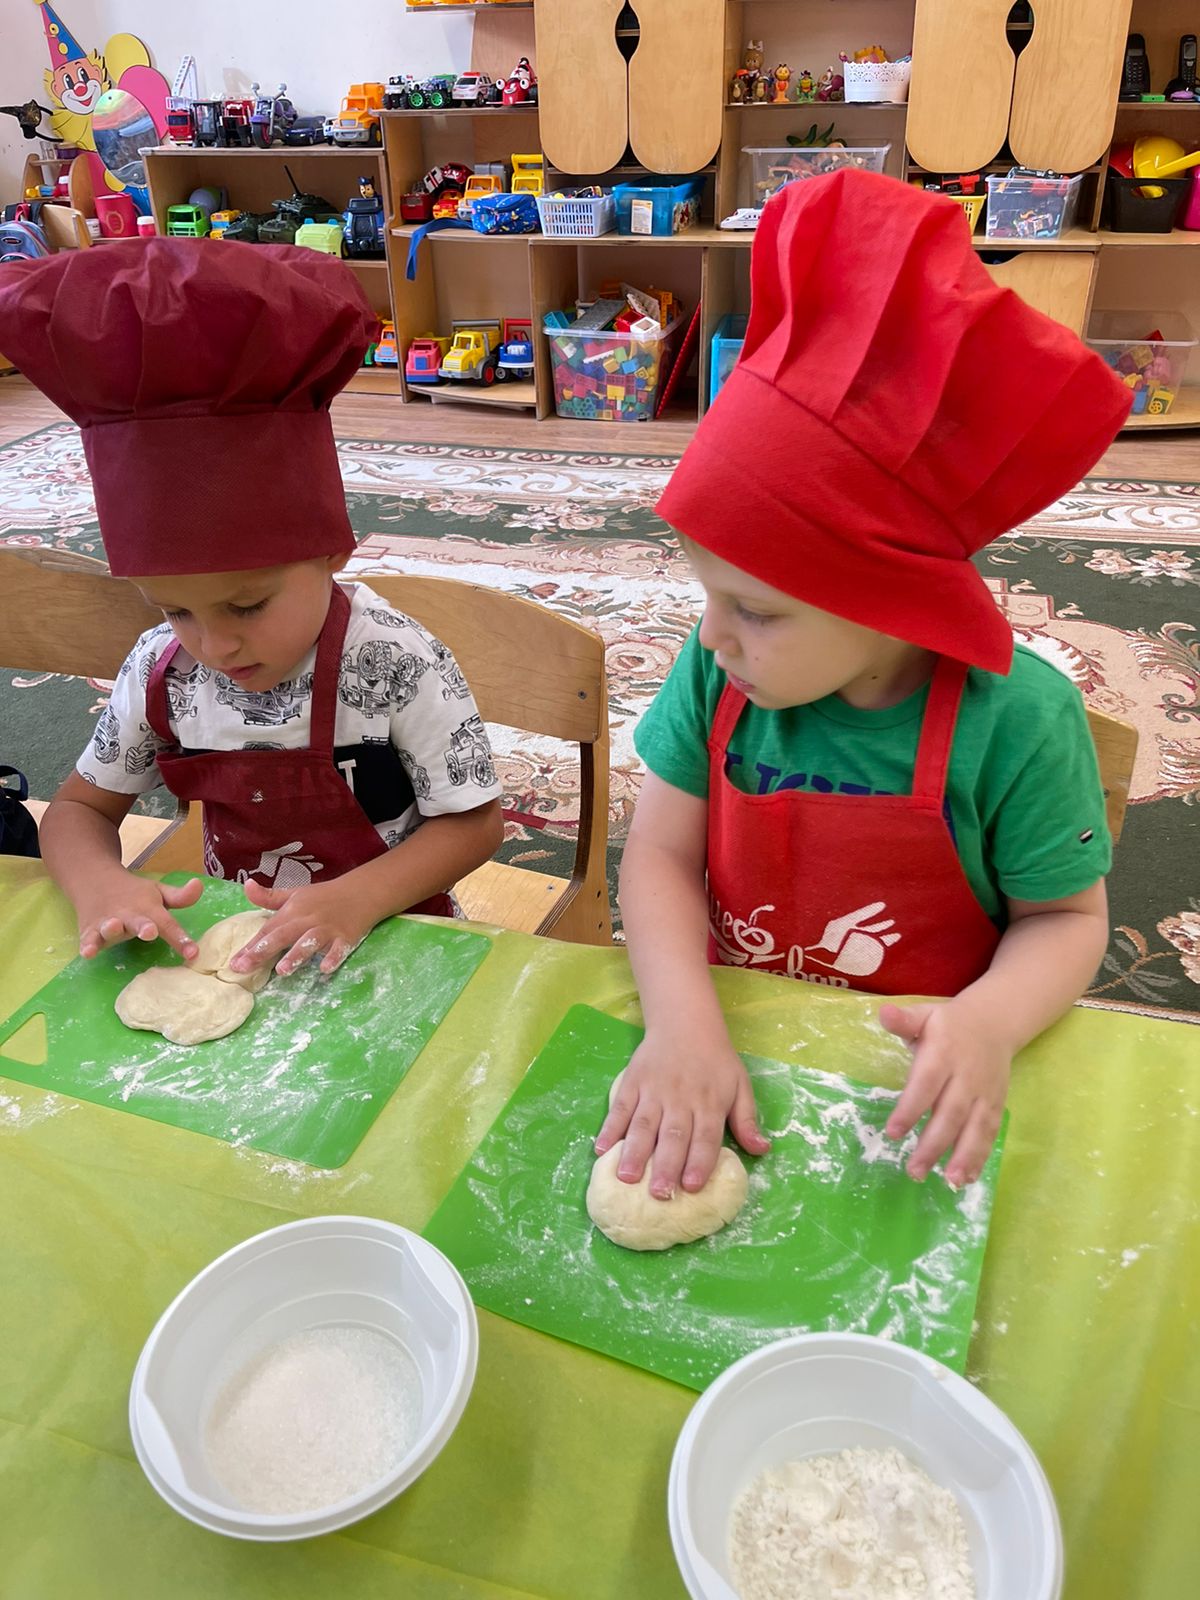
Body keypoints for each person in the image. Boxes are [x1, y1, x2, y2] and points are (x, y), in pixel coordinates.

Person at [598, 169, 1130, 1199]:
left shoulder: (1017, 723)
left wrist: (987, 1022)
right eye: (707, 592)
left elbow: (1065, 922)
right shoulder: (718, 675)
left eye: (754, 608)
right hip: (735, 1029)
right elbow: (657, 859)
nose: (711, 638)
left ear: (894, 604)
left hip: (910, 1076)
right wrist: (683, 1023)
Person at [0, 239, 503, 977]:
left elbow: (473, 823)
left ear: (332, 549)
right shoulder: (161, 674)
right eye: (176, 610)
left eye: (247, 604)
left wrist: (354, 900)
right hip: (247, 946)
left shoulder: (393, 661)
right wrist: (101, 884)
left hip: (398, 932)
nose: (216, 645)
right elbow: (78, 812)